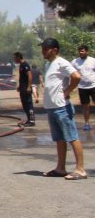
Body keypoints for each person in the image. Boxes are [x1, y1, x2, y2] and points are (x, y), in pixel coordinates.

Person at [39, 38, 85, 180]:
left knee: (72, 137)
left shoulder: (61, 63)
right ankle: (60, 168)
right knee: (59, 139)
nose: (43, 51)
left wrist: (67, 91)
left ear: (55, 50)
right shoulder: (48, 64)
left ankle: (80, 170)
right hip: (52, 108)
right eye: (43, 48)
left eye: (46, 49)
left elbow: (76, 76)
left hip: (62, 107)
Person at [72, 45, 95, 131]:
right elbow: (71, 73)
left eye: (82, 51)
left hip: (93, 86)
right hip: (82, 87)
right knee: (86, 107)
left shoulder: (93, 60)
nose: (81, 53)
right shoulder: (75, 62)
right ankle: (87, 123)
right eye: (80, 51)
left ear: (87, 52)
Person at [12, 52, 35, 126]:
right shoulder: (21, 65)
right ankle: (28, 120)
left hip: (26, 88)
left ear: (18, 57)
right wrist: (19, 86)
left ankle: (32, 121)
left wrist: (28, 87)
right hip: (22, 88)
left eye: (15, 58)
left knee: (29, 104)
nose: (14, 59)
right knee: (24, 104)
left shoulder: (25, 65)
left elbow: (29, 75)